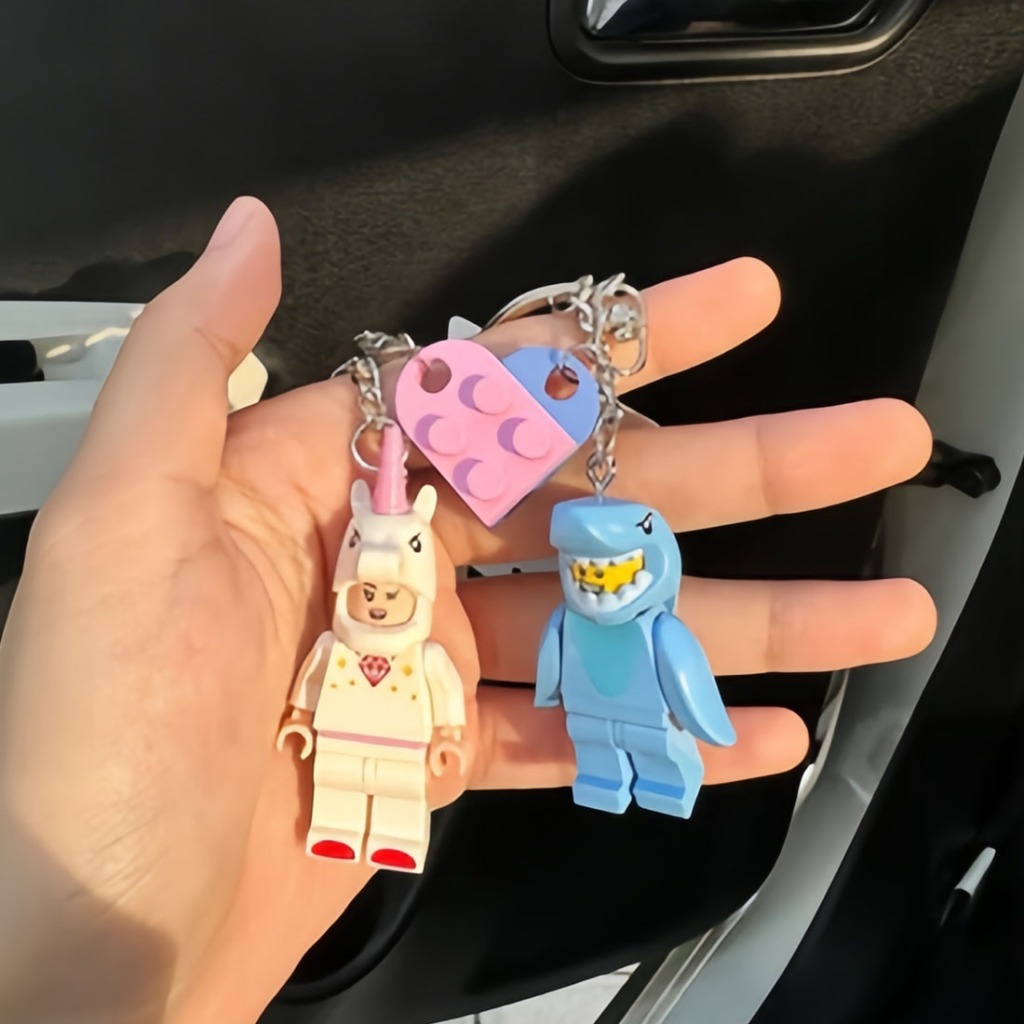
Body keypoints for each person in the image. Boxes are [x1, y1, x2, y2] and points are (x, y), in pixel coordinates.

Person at [0, 197, 937, 1024]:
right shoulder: (348, 627)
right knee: (364, 795)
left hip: (430, 721)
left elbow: (653, 670)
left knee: (560, 767)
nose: (376, 590)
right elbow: (400, 671)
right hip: (353, 728)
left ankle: (592, 781)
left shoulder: (608, 617)